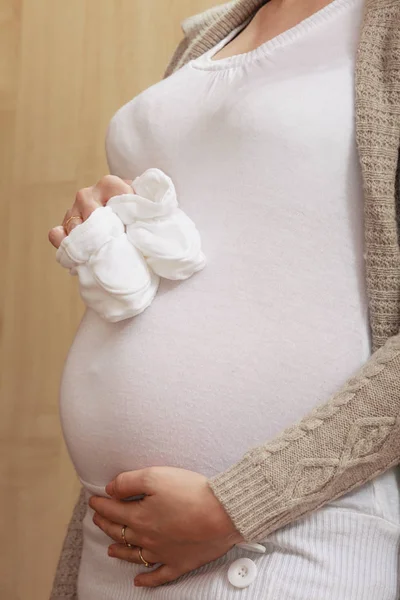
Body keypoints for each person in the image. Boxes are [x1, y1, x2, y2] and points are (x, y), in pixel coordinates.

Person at [48, 0, 400, 598]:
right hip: (122, 543)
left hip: (289, 539)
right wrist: (117, 220)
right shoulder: (214, 33)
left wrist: (235, 507)